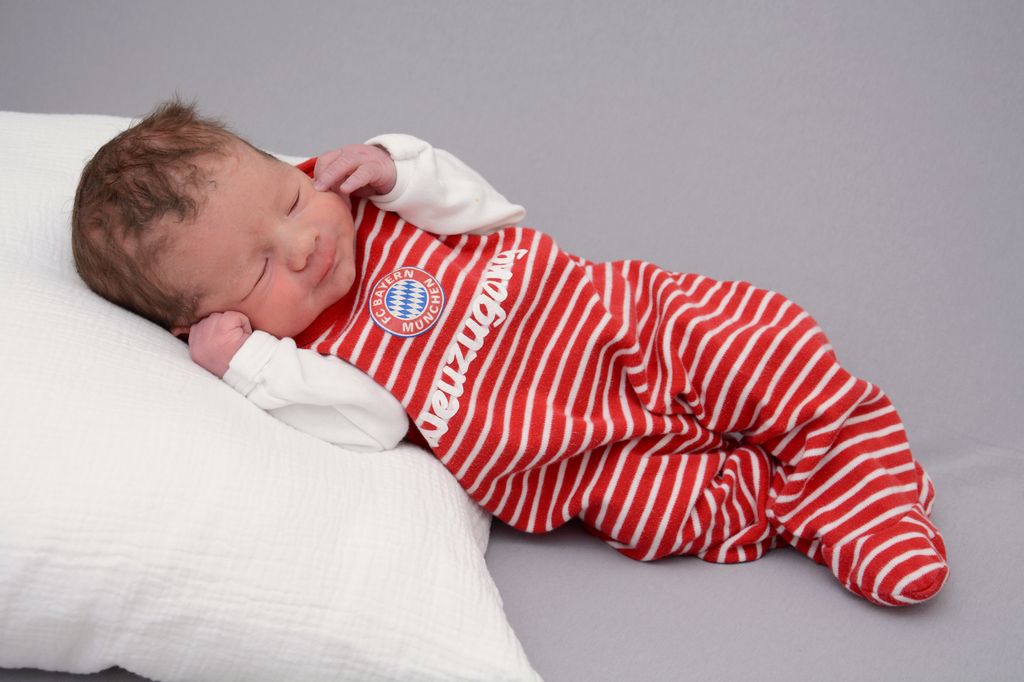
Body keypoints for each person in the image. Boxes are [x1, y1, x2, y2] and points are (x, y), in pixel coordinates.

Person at [72, 99, 948, 607]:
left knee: (751, 339)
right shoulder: (303, 354)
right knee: (662, 513)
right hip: (568, 453)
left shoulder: (373, 201)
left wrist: (399, 166)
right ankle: (799, 509)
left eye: (291, 199)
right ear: (209, 323)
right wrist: (252, 368)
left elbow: (489, 212)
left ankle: (846, 445)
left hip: (617, 321)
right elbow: (375, 424)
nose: (303, 244)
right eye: (260, 267)